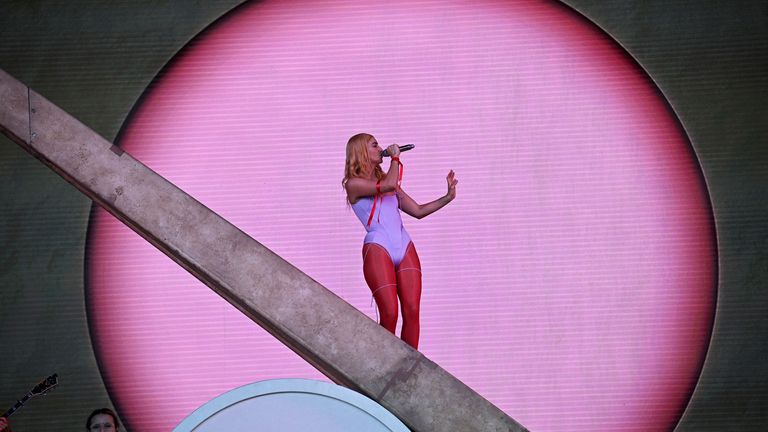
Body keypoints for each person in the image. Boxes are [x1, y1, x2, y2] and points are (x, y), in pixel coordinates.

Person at [343, 133, 457, 349]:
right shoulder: (354, 184)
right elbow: (387, 186)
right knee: (390, 313)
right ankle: (382, 364)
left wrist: (447, 197)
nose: (380, 148)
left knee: (412, 309)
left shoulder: (389, 182)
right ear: (361, 152)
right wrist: (395, 159)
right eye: (374, 145)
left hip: (404, 244)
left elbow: (418, 211)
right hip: (378, 246)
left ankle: (410, 369)